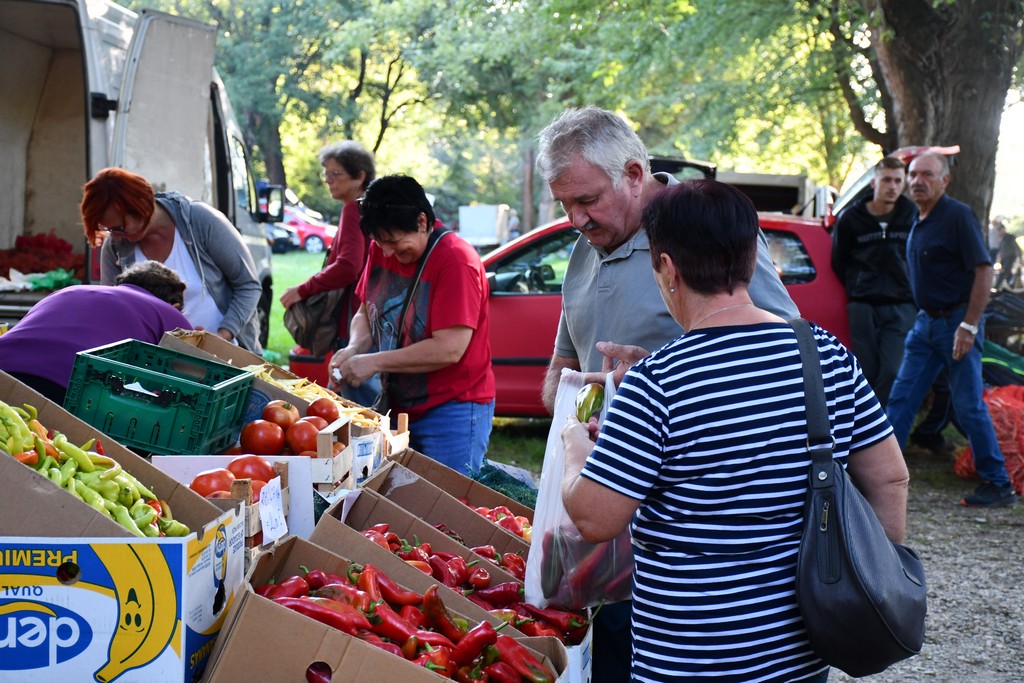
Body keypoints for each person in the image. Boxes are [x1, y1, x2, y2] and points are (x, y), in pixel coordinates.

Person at [560, 179, 908, 683]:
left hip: (688, 659)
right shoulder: (825, 356)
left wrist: (576, 447)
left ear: (667, 268)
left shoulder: (658, 382)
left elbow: (595, 518)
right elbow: (890, 479)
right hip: (801, 655)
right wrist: (870, 578)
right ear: (751, 259)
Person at [535, 106, 799, 683]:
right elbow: (565, 358)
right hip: (603, 506)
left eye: (587, 200)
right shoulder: (585, 247)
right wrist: (567, 396)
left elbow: (778, 352)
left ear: (634, 173)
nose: (575, 219)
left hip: (689, 532)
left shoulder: (701, 229)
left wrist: (656, 374)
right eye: (564, 205)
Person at [327, 175, 495, 475]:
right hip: (399, 405)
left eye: (393, 242)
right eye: (379, 242)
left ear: (422, 221)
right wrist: (353, 348)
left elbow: (449, 349)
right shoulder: (382, 246)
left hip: (451, 409)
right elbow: (367, 312)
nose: (387, 253)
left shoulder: (456, 261)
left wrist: (373, 362)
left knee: (449, 506)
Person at [886, 153, 1017, 507]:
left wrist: (969, 325)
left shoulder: (956, 215)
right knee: (901, 398)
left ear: (945, 180)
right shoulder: (920, 217)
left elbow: (984, 271)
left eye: (927, 174)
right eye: (913, 175)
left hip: (956, 324)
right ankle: (879, 476)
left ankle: (998, 483)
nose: (917, 181)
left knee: (967, 406)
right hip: (926, 325)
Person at [80, 167, 264, 353]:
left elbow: (248, 286)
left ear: (139, 206)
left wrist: (222, 336)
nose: (116, 237)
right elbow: (113, 310)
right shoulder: (115, 248)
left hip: (229, 356)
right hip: (159, 365)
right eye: (109, 230)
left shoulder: (200, 221)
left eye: (119, 228)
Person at [0, 261, 192, 404]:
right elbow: (197, 373)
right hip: (68, 386)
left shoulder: (68, 291)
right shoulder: (168, 313)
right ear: (174, 306)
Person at [280, 141, 376, 405]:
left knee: (358, 403)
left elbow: (349, 265)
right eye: (326, 174)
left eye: (336, 174)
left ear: (359, 176)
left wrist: (304, 289)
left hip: (356, 317)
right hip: (369, 315)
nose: (328, 181)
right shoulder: (364, 208)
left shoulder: (353, 209)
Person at [831, 156, 918, 406]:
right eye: (887, 180)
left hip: (901, 304)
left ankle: (870, 425)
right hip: (862, 304)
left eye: (898, 181)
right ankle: (873, 428)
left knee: (892, 369)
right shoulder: (850, 218)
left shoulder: (911, 214)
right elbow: (838, 261)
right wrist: (858, 286)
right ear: (874, 183)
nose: (892, 186)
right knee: (866, 371)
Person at [990, 218, 1020, 289]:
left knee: (1004, 272)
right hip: (1004, 258)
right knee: (1007, 274)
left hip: (1011, 257)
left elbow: (1016, 247)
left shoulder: (1010, 237)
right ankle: (1010, 286)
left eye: (999, 230)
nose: (998, 233)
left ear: (1003, 230)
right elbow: (1000, 249)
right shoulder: (1002, 239)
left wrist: (1020, 257)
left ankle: (997, 287)